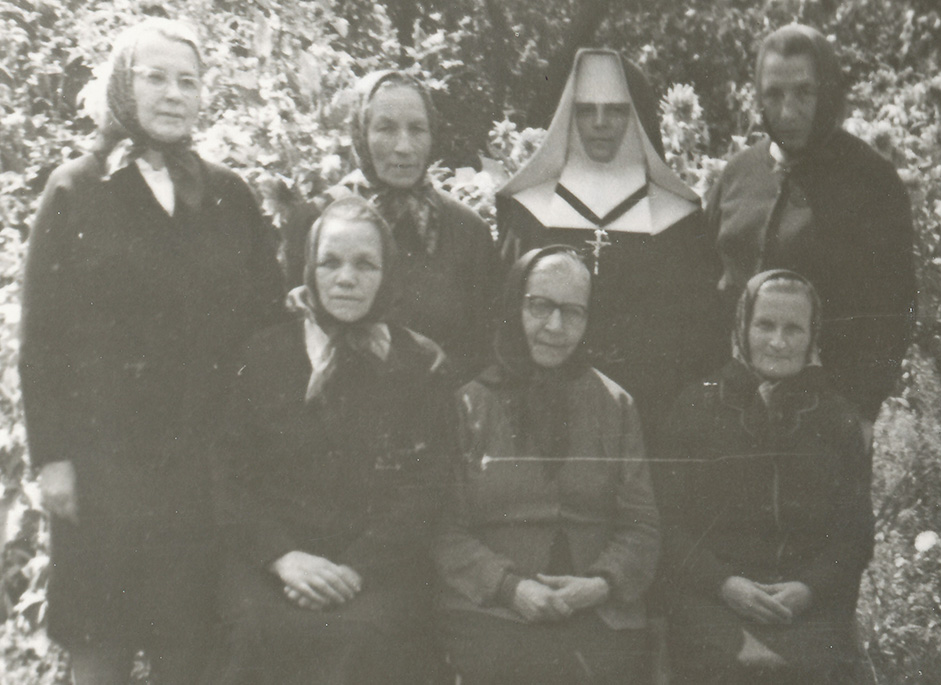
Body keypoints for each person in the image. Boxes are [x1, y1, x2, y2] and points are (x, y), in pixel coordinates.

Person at [18, 18, 284, 685]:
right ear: (120, 86)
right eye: (156, 77)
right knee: (99, 637)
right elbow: (41, 338)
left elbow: (266, 320)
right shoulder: (76, 189)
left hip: (199, 463)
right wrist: (53, 458)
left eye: (188, 81)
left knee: (186, 642)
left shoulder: (228, 194)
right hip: (102, 461)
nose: (173, 94)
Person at [210, 196, 453, 684]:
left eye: (366, 264)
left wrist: (356, 569)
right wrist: (284, 558)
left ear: (388, 273)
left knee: (366, 638)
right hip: (274, 567)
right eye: (331, 262)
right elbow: (228, 478)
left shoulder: (419, 363)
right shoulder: (261, 356)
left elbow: (427, 490)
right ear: (310, 268)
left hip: (376, 572)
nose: (346, 278)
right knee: (255, 630)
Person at [433, 246, 661, 685]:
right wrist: (510, 587)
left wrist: (601, 584)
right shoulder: (467, 405)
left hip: (599, 609)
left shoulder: (615, 405)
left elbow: (642, 525)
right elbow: (445, 529)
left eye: (573, 312)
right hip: (491, 606)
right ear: (513, 304)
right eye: (540, 306)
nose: (555, 327)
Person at [655, 270, 875, 684]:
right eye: (765, 325)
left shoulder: (835, 417)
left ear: (813, 336)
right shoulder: (696, 406)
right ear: (742, 327)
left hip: (807, 604)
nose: (778, 341)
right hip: (714, 598)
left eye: (794, 328)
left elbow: (855, 535)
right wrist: (724, 583)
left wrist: (808, 588)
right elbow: (667, 526)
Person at [496, 48, 727, 437]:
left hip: (651, 418)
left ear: (636, 116)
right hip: (541, 418)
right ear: (569, 115)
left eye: (616, 110)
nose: (600, 123)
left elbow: (699, 342)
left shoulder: (679, 220)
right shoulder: (530, 211)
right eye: (586, 110)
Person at [703, 23, 916, 431]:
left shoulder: (871, 181)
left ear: (828, 91)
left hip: (826, 419)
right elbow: (703, 281)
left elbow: (895, 308)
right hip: (732, 411)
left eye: (804, 93)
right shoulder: (738, 175)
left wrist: (861, 411)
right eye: (774, 94)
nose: (788, 111)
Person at [284, 70, 500, 382]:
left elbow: (484, 346)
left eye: (417, 129)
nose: (404, 146)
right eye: (386, 128)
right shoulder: (316, 220)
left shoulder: (467, 230)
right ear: (361, 131)